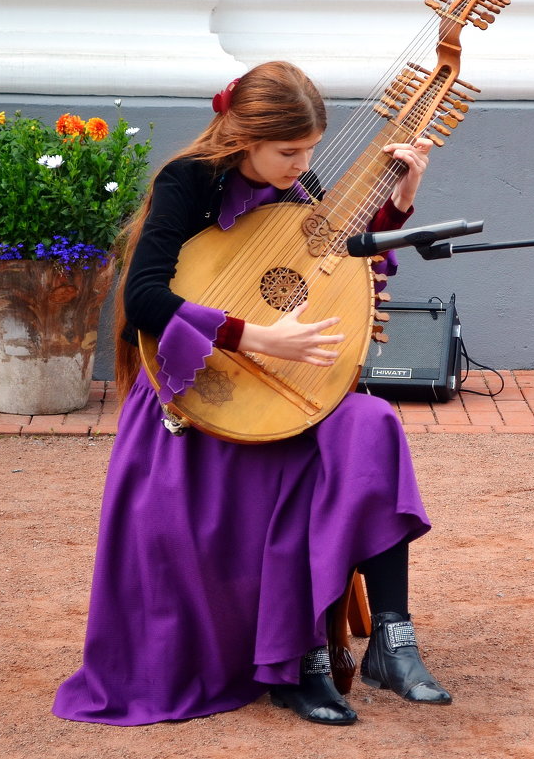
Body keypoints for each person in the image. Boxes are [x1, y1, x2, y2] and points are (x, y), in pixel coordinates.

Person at [52, 61, 450, 728]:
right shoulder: (188, 184)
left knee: (371, 424)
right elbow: (144, 297)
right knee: (299, 471)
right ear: (244, 138)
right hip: (195, 397)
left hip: (281, 393)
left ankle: (392, 636)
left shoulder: (301, 186)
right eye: (289, 151)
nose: (304, 164)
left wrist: (400, 201)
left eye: (312, 149)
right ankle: (299, 665)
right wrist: (258, 339)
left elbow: (334, 274)